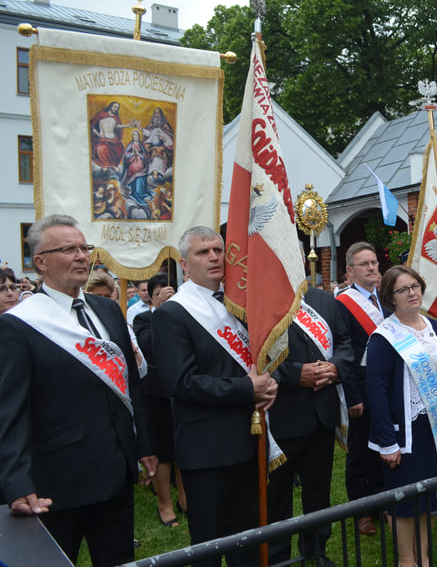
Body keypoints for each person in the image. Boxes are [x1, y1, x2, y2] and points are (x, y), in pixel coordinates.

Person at [0, 214, 156, 566]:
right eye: (68, 249)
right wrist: (15, 482)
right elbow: (9, 412)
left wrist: (144, 444)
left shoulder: (106, 309)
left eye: (84, 248)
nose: (82, 256)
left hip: (116, 471)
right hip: (58, 480)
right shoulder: (19, 324)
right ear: (40, 262)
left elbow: (129, 382)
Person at [153, 226, 278, 567]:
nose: (213, 257)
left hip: (247, 440)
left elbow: (257, 360)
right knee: (208, 546)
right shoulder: (172, 314)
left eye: (218, 250)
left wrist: (269, 382)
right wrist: (245, 389)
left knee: (248, 541)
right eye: (202, 252)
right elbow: (182, 383)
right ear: (184, 263)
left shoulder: (240, 305)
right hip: (205, 449)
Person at [366, 265, 437, 567]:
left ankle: (423, 556)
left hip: (436, 428)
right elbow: (377, 391)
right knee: (404, 502)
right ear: (390, 297)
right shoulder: (384, 337)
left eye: (415, 286)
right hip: (403, 434)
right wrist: (387, 441)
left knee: (429, 497)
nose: (412, 293)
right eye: (402, 289)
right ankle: (406, 560)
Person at [266, 250, 353, 567]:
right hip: (283, 413)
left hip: (322, 412)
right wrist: (294, 375)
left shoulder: (323, 298)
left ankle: (316, 550)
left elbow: (344, 343)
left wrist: (335, 367)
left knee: (318, 490)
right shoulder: (261, 300)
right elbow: (255, 355)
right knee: (278, 496)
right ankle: (277, 555)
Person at [336, 242, 388, 536]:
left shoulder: (385, 300)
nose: (372, 268)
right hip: (361, 389)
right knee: (360, 453)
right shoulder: (344, 303)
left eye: (374, 262)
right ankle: (361, 510)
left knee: (383, 444)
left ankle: (381, 500)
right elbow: (344, 351)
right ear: (350, 272)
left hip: (385, 386)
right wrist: (352, 395)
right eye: (364, 264)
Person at [134, 273, 186, 528]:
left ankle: (185, 499)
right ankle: (164, 504)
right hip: (157, 394)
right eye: (158, 294)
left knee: (183, 448)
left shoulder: (185, 313)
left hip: (183, 389)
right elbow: (150, 347)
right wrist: (161, 311)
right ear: (151, 298)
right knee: (163, 451)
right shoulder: (143, 319)